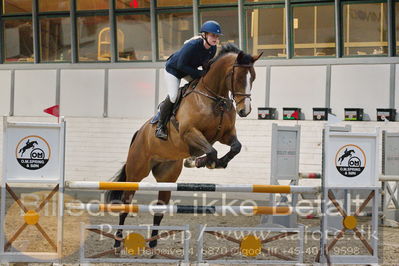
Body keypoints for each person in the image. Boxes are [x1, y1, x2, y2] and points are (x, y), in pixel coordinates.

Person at [155, 20, 222, 140]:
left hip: (188, 70)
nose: (215, 38)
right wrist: (200, 73)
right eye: (212, 35)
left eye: (217, 36)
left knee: (201, 84)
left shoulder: (212, 49)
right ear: (204, 35)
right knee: (173, 96)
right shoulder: (192, 45)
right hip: (173, 70)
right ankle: (161, 125)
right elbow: (181, 65)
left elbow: (205, 64)